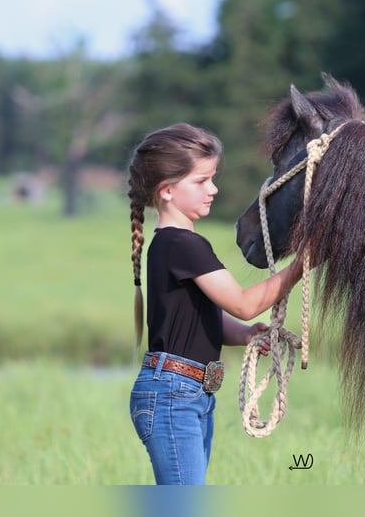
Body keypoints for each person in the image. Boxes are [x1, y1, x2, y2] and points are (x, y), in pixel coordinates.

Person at [127, 123, 302, 485]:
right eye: (202, 181)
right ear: (168, 191)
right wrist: (303, 264)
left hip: (186, 393)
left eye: (212, 179)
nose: (213, 190)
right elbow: (243, 303)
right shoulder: (183, 246)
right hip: (176, 395)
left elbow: (203, 318)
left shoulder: (170, 244)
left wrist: (245, 334)